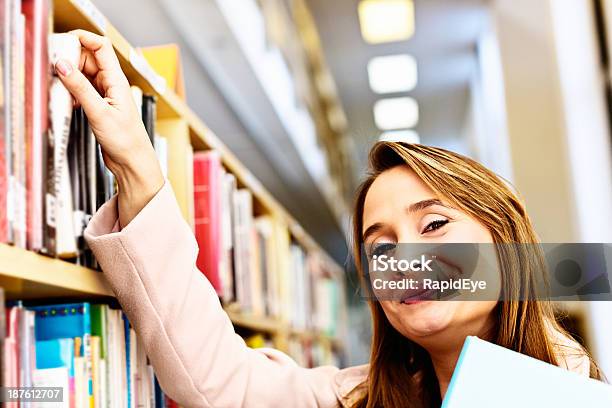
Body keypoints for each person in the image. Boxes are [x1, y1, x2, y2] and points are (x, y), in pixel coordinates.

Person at [55, 30, 604, 408]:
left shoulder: (567, 392)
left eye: (434, 225)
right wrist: (135, 162)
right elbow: (222, 381)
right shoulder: (355, 397)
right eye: (380, 249)